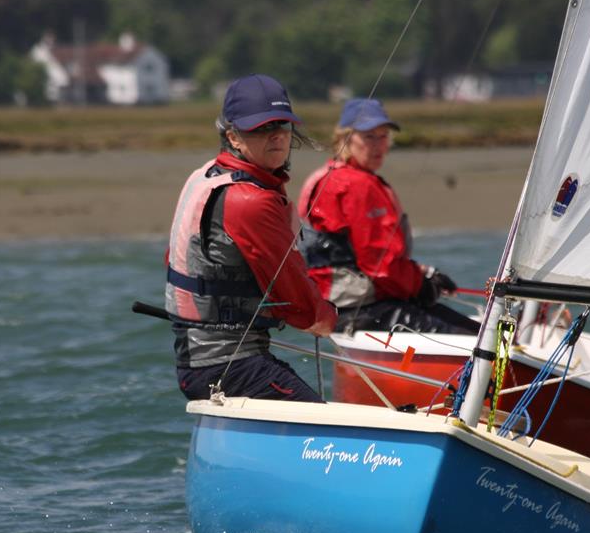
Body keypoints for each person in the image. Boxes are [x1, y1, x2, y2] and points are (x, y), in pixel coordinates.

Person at [165, 73, 337, 401]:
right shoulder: (250, 199)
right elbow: (299, 305)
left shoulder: (204, 177)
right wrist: (328, 318)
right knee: (323, 424)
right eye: (260, 129)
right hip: (228, 365)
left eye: (282, 126)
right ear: (233, 136)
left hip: (199, 363)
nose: (275, 137)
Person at [297, 98, 478, 335]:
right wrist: (421, 286)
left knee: (474, 331)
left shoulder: (329, 176)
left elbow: (357, 254)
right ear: (345, 139)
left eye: (384, 137)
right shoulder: (356, 185)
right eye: (369, 137)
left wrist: (424, 274)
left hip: (338, 306)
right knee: (480, 340)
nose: (378, 145)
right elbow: (380, 265)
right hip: (363, 309)